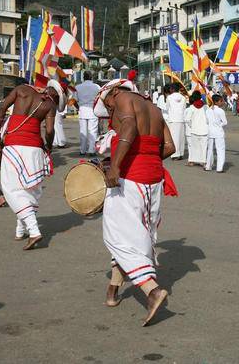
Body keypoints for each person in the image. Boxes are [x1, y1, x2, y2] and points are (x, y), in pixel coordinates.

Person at [92, 78, 178, 326]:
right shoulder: (154, 108)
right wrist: (144, 157)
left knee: (116, 235)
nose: (110, 110)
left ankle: (151, 291)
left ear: (114, 91)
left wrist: (116, 166)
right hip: (153, 179)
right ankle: (113, 290)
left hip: (131, 179)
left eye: (107, 105)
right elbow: (170, 147)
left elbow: (128, 128)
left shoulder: (122, 98)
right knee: (134, 233)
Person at [0, 79, 65, 251]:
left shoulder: (22, 89)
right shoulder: (49, 105)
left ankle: (33, 230)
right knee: (30, 188)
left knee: (12, 188)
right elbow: (49, 131)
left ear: (48, 88)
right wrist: (49, 147)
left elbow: (2, 108)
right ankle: (20, 229)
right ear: (55, 95)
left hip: (14, 145)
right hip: (35, 149)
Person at [74, 71, 101, 156]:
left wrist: (79, 108)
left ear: (83, 78)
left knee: (83, 132)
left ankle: (82, 150)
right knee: (92, 132)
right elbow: (100, 100)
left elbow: (74, 100)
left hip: (82, 110)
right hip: (93, 110)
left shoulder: (78, 87)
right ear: (91, 77)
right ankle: (91, 150)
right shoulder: (96, 87)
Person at [184, 91, 208, 166]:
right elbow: (208, 118)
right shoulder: (205, 107)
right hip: (204, 130)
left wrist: (192, 125)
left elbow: (187, 119)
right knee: (203, 147)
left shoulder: (191, 107)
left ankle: (192, 161)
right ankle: (203, 161)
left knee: (194, 147)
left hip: (194, 130)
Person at [205, 94, 227, 173]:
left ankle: (208, 166)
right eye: (221, 101)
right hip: (218, 132)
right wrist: (218, 125)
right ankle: (219, 168)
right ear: (216, 102)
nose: (222, 102)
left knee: (210, 149)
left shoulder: (208, 110)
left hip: (210, 131)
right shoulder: (221, 111)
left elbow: (207, 122)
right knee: (220, 149)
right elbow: (225, 122)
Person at [166, 84, 187, 160]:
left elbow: (167, 107)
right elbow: (184, 108)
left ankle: (175, 154)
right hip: (181, 119)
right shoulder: (183, 97)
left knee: (174, 137)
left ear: (172, 89)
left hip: (173, 119)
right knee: (181, 137)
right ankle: (181, 153)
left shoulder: (169, 97)